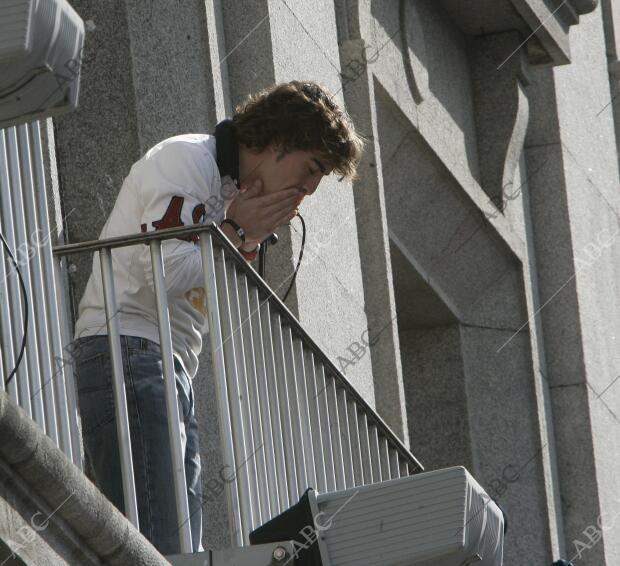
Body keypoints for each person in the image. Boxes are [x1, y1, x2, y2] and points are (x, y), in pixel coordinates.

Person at [70, 80, 364, 555]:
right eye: (310, 169)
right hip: (131, 351)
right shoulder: (188, 160)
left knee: (170, 547)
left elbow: (212, 301)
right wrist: (235, 231)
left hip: (165, 368)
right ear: (278, 142)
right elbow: (163, 270)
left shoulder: (228, 196)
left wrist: (240, 237)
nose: (307, 190)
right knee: (164, 547)